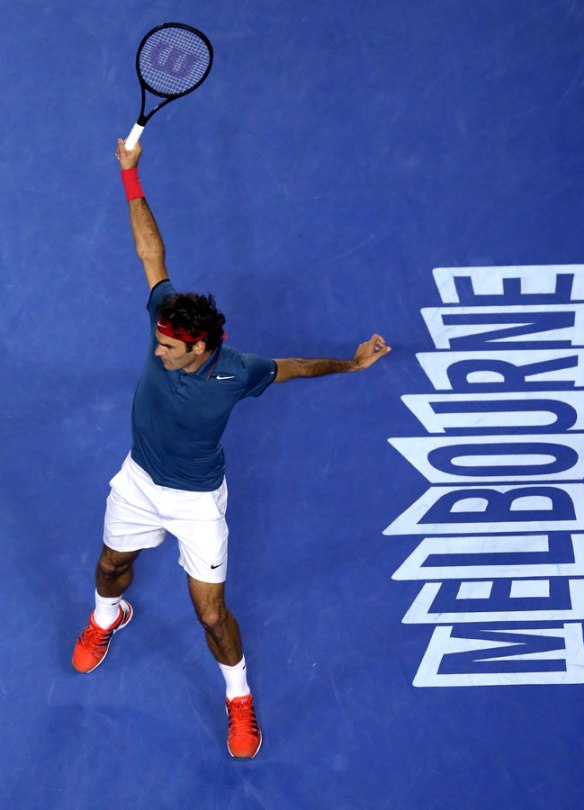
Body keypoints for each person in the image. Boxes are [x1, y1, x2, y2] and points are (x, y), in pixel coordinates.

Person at [72, 138, 391, 760]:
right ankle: (107, 616)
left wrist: (350, 365)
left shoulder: (238, 371)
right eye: (158, 340)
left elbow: (296, 367)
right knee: (110, 567)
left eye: (168, 348)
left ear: (199, 347)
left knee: (212, 616)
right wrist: (131, 176)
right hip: (138, 482)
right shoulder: (168, 313)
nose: (156, 351)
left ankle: (238, 698)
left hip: (196, 503)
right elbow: (151, 252)